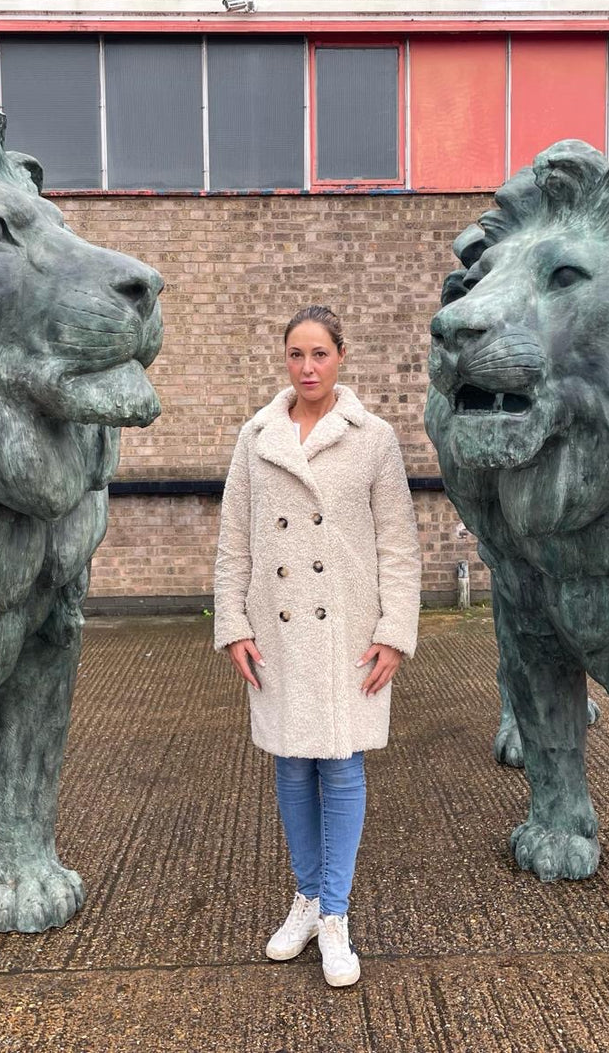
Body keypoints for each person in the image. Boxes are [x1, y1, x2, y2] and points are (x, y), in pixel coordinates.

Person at [213, 304, 422, 988]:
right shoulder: (256, 435)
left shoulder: (372, 438)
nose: (307, 367)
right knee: (290, 765)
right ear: (285, 359)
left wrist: (394, 633)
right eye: (296, 354)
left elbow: (398, 544)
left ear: (341, 357)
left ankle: (335, 915)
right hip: (274, 631)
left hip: (348, 631)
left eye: (319, 354)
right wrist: (232, 626)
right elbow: (234, 541)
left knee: (339, 765)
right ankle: (304, 900)